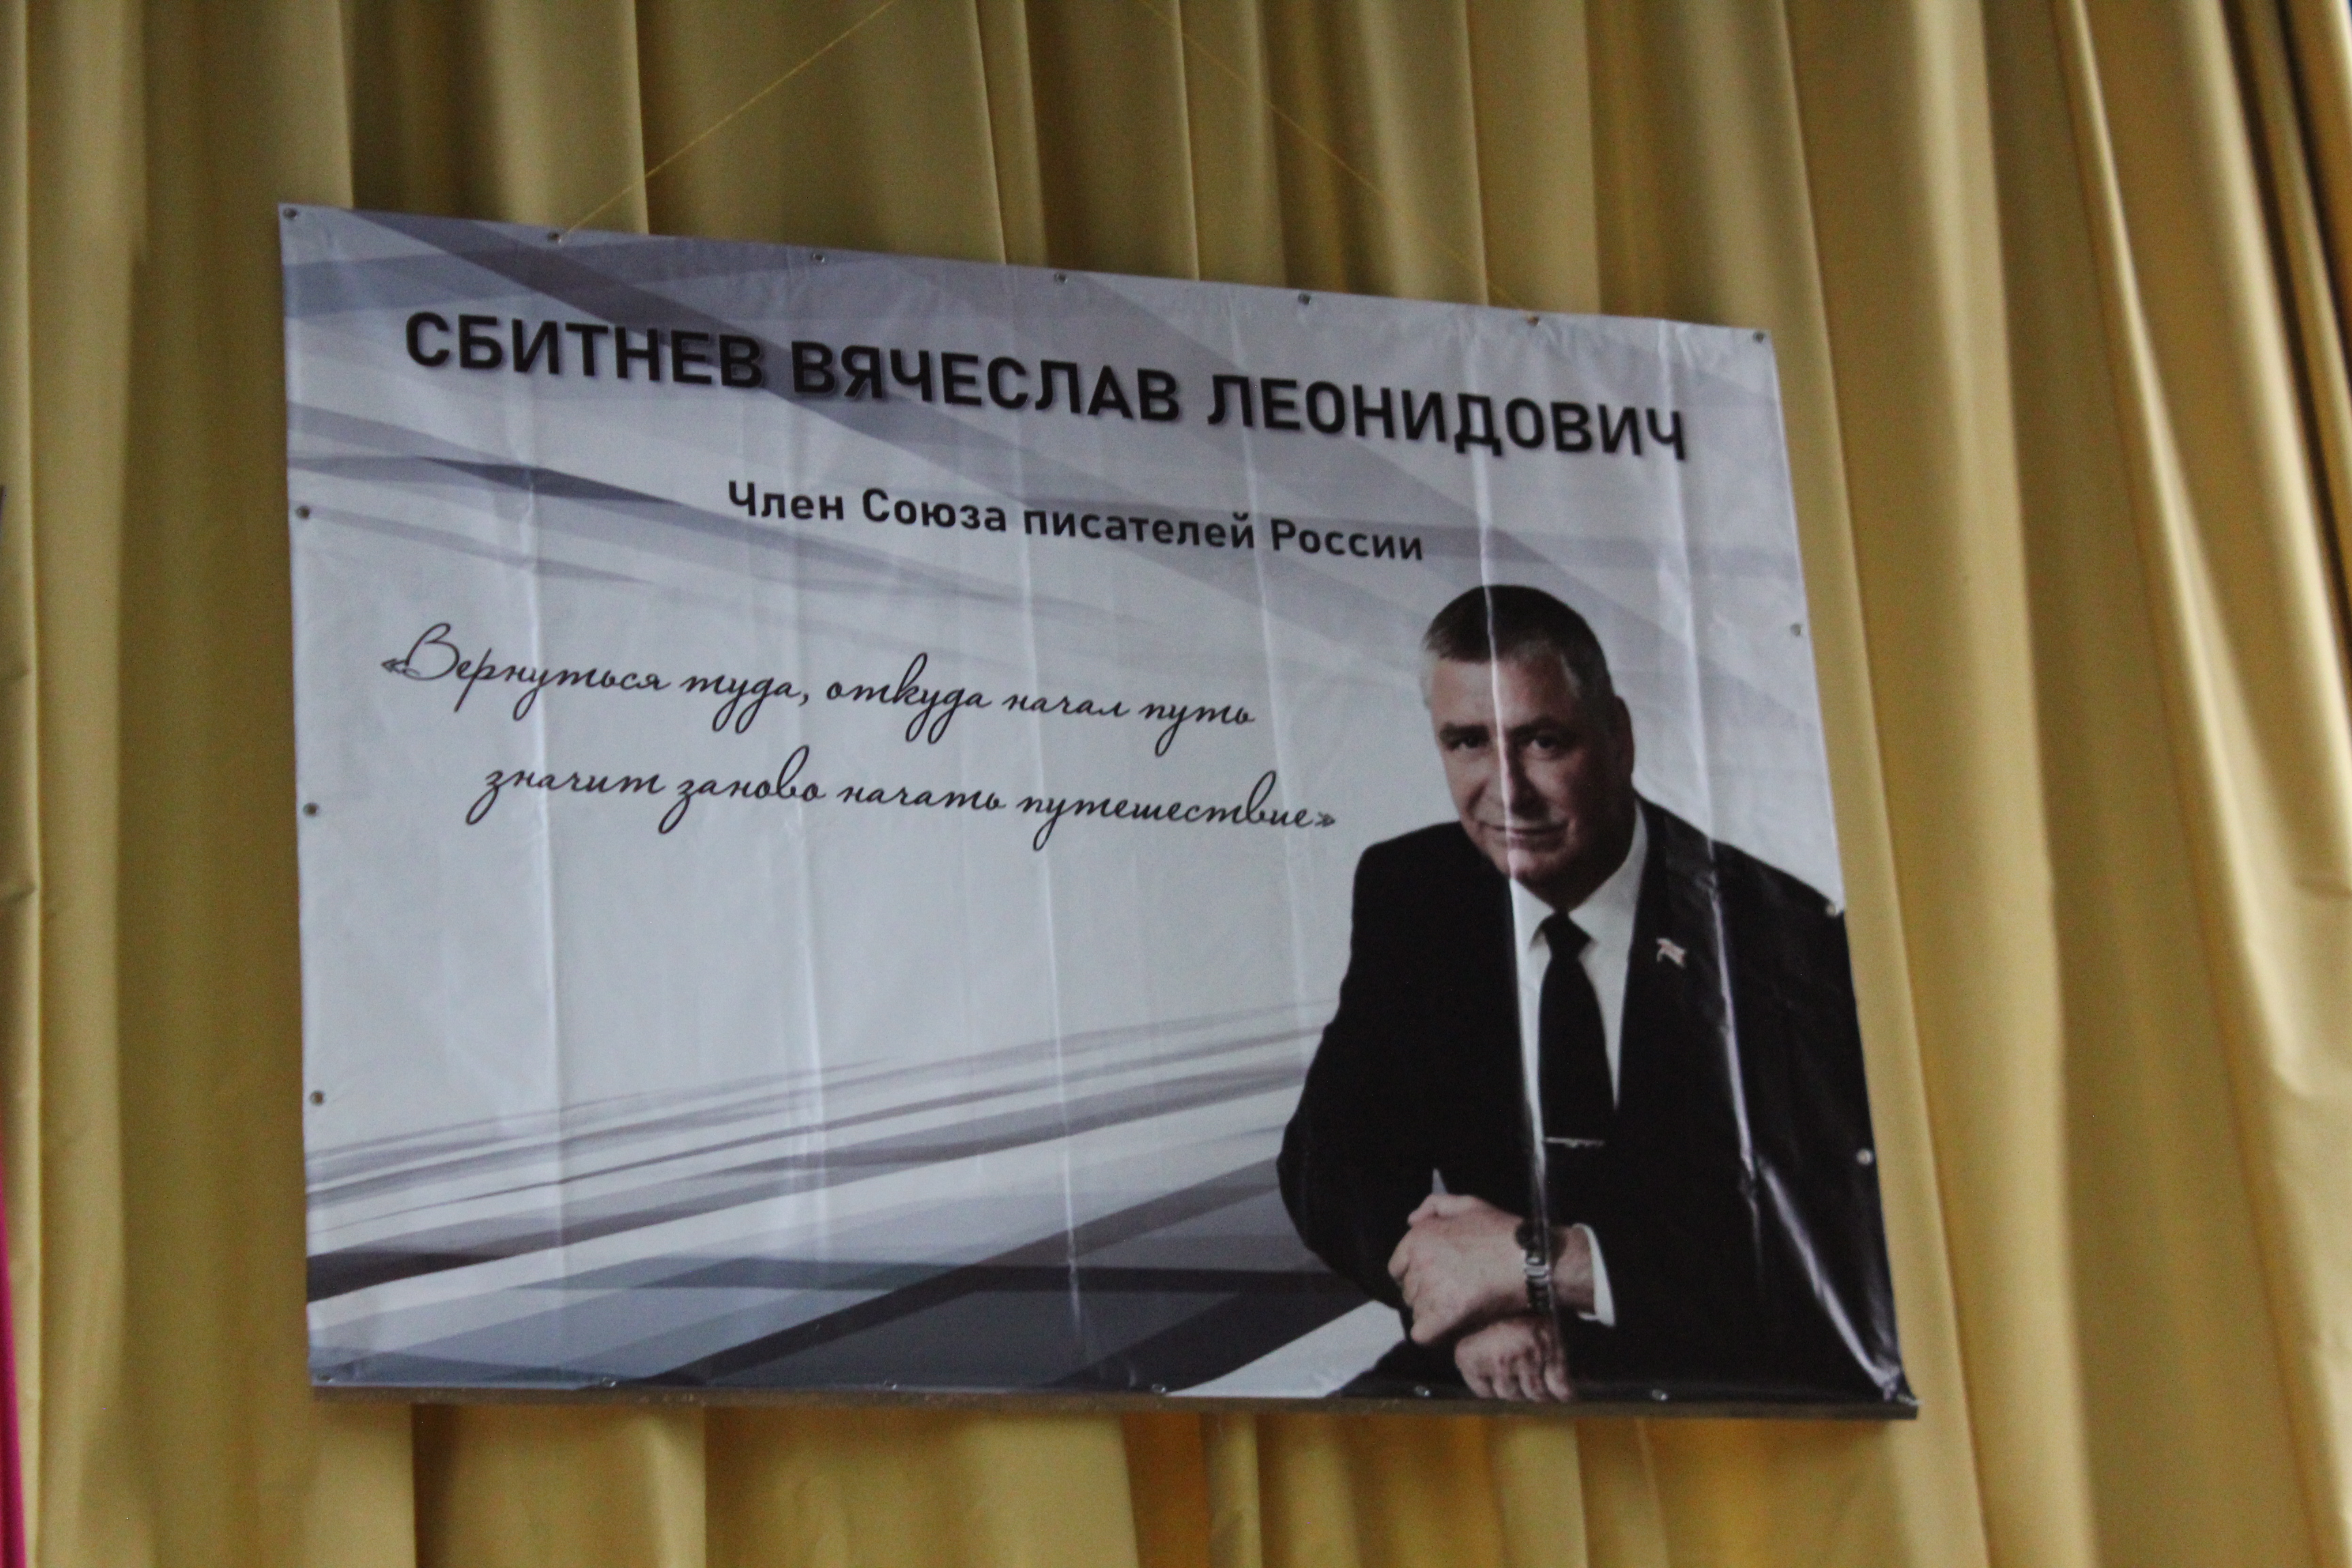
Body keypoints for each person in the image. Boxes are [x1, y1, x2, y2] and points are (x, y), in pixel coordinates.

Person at [1277, 585, 1908, 1404]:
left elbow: (1823, 1247)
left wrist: (1542, 1266)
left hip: (1727, 1376)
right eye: (1468, 743)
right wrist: (1467, 1305)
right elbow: (1328, 1164)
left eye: (1543, 741)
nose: (1508, 790)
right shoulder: (1416, 889)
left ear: (1619, 737)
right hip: (1492, 1361)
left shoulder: (1778, 937)